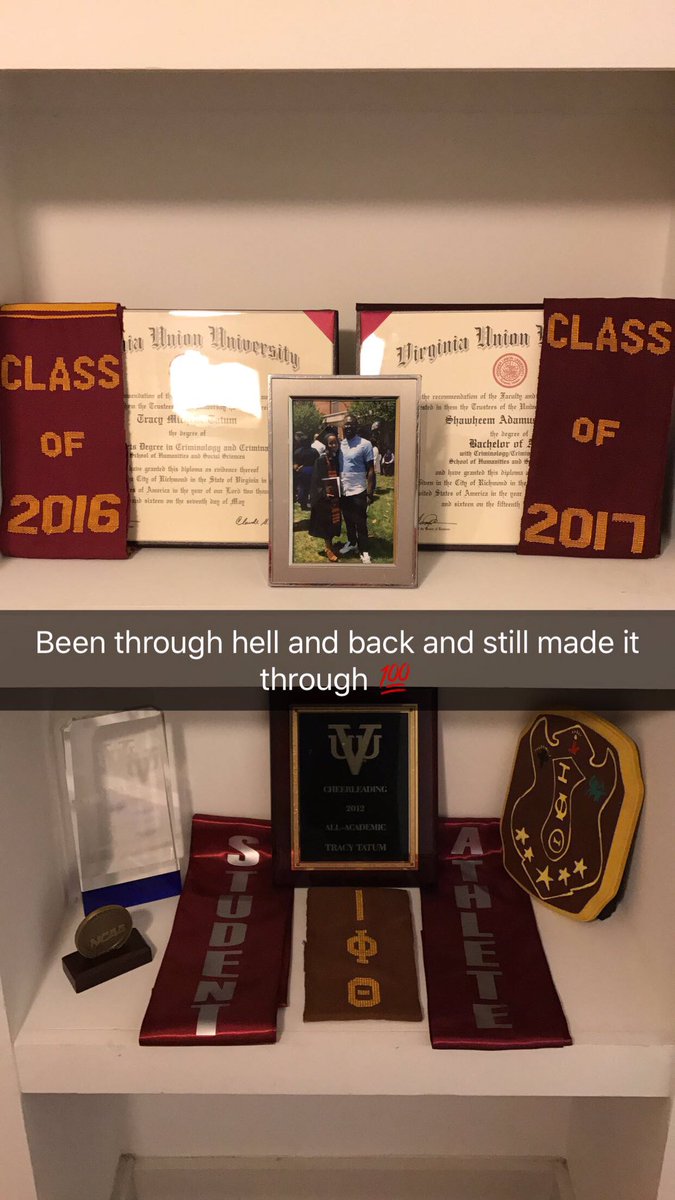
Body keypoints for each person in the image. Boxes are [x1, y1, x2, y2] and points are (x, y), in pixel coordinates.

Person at [338, 412, 375, 564]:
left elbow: (371, 470)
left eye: (351, 424)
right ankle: (352, 542)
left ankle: (364, 550)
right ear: (342, 427)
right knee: (348, 519)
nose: (348, 427)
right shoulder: (340, 444)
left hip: (359, 489)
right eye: (345, 425)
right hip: (343, 489)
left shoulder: (365, 444)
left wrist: (370, 493)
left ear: (356, 427)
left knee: (360, 522)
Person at [308, 432, 342, 562]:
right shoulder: (321, 460)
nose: (334, 445)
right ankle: (328, 548)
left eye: (335, 442)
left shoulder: (337, 458)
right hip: (325, 497)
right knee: (327, 522)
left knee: (334, 521)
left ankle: (331, 545)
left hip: (335, 495)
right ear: (326, 445)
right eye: (331, 443)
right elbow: (315, 480)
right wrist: (323, 492)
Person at [293, 432, 318, 511]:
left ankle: (302, 504)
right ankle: (311, 502)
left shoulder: (297, 451)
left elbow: (295, 462)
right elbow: (317, 461)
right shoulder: (314, 451)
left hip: (301, 472)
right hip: (311, 471)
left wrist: (297, 468)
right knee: (311, 489)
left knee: (302, 488)